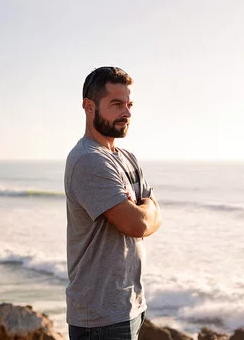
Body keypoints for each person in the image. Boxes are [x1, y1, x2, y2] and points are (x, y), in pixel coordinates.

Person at [64, 66, 162, 340]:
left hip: (130, 304)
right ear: (89, 106)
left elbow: (153, 214)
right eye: (116, 104)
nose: (127, 113)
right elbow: (138, 223)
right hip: (100, 316)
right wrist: (146, 211)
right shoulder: (88, 160)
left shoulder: (126, 157)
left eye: (129, 104)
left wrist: (147, 212)